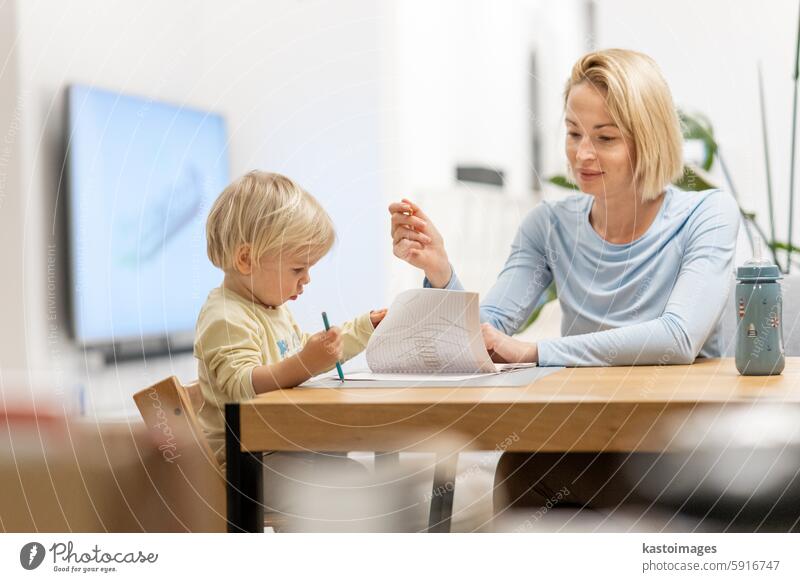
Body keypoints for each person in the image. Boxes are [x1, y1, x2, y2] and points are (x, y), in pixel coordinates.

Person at [388, 49, 740, 520]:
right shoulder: (549, 227)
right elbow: (484, 333)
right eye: (574, 133)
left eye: (605, 137)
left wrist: (535, 352)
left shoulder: (706, 216)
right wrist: (439, 272)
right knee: (524, 465)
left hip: (675, 444)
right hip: (578, 435)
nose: (582, 153)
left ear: (650, 139)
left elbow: (678, 337)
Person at [195, 170, 387, 523]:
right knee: (354, 489)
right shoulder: (224, 315)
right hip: (244, 468)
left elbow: (314, 355)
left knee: (356, 479)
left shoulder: (273, 310)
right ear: (246, 260)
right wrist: (305, 362)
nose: (308, 278)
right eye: (299, 267)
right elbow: (242, 387)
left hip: (278, 452)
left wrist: (367, 325)